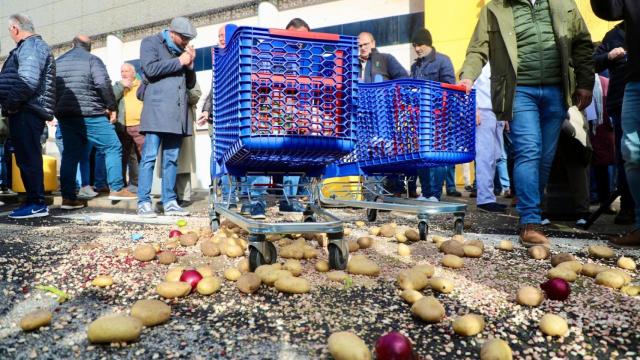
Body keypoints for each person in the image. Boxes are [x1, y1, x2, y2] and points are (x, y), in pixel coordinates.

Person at [459, 0, 594, 247]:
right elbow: (478, 48)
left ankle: (533, 210)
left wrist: (585, 82)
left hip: (556, 90)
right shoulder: (495, 8)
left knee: (545, 155)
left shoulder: (564, 4)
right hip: (519, 91)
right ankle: (530, 220)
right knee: (528, 150)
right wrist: (467, 76)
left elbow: (582, 43)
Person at [55, 35, 137, 210]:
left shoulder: (59, 61)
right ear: (89, 47)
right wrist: (111, 106)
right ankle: (116, 187)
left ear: (72, 44)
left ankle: (68, 198)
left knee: (70, 154)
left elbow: (50, 86)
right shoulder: (93, 60)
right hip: (90, 113)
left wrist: (55, 110)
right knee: (113, 146)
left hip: (65, 115)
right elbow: (101, 83)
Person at [591, 0, 640, 248]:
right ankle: (637, 220)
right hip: (633, 81)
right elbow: (607, 9)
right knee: (630, 152)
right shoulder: (615, 32)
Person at [137, 17, 197, 217]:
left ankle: (169, 201)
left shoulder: (183, 52)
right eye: (184, 38)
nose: (186, 43)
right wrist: (179, 61)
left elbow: (189, 84)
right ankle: (143, 202)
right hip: (156, 111)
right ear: (173, 33)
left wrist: (189, 66)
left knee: (171, 159)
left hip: (177, 114)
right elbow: (150, 69)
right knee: (149, 157)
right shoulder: (151, 42)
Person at [0, 14, 55, 219]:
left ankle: (37, 203)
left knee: (29, 157)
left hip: (27, 109)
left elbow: (28, 81)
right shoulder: (29, 47)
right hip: (24, 109)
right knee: (25, 158)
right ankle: (33, 201)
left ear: (15, 28)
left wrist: (11, 104)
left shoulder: (31, 47)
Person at [407, 28, 456, 202]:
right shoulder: (415, 66)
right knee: (422, 156)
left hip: (438, 117)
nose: (417, 49)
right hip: (420, 119)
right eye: (414, 46)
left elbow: (450, 87)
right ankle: (426, 192)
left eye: (419, 45)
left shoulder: (443, 61)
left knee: (437, 156)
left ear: (428, 43)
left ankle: (435, 193)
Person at [357, 31, 409, 196]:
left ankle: (392, 190)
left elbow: (403, 77)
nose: (363, 48)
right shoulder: (353, 64)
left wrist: (390, 95)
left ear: (373, 43)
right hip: (361, 116)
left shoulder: (386, 59)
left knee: (385, 151)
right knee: (364, 153)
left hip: (383, 115)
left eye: (366, 44)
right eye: (359, 45)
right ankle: (371, 193)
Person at [474, 64, 508, 213]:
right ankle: (485, 199)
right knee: (485, 155)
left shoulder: (500, 60)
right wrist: (474, 108)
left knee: (495, 155)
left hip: (497, 112)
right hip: (483, 111)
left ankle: (488, 197)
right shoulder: (480, 61)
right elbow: (470, 85)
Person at [113, 62, 145, 189]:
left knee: (142, 156)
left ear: (133, 72)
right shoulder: (118, 85)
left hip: (140, 126)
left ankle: (139, 184)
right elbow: (110, 97)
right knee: (123, 157)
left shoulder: (142, 84)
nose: (123, 74)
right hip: (123, 126)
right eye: (122, 71)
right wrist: (121, 86)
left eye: (126, 71)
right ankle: (121, 185)